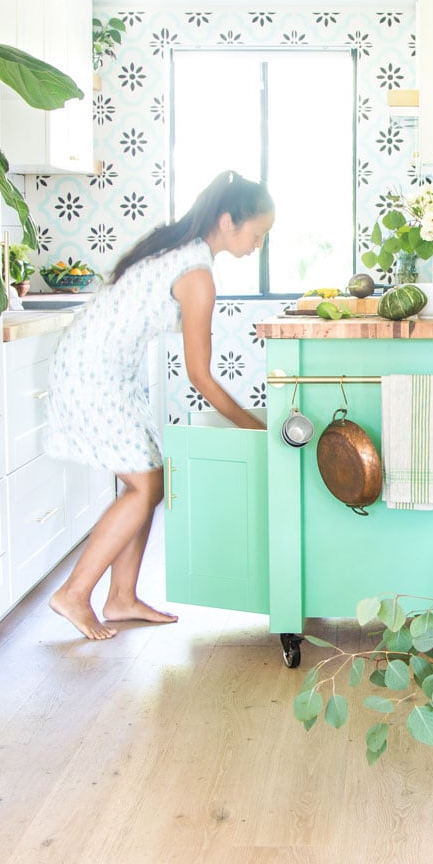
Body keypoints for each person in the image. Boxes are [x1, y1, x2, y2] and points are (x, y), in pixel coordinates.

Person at [44, 170, 275, 639]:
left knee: (151, 479)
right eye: (257, 234)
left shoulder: (185, 252)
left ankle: (121, 598)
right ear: (229, 222)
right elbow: (201, 376)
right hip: (94, 373)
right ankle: (74, 593)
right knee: (145, 486)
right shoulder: (196, 274)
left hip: (105, 368)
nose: (258, 245)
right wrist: (255, 429)